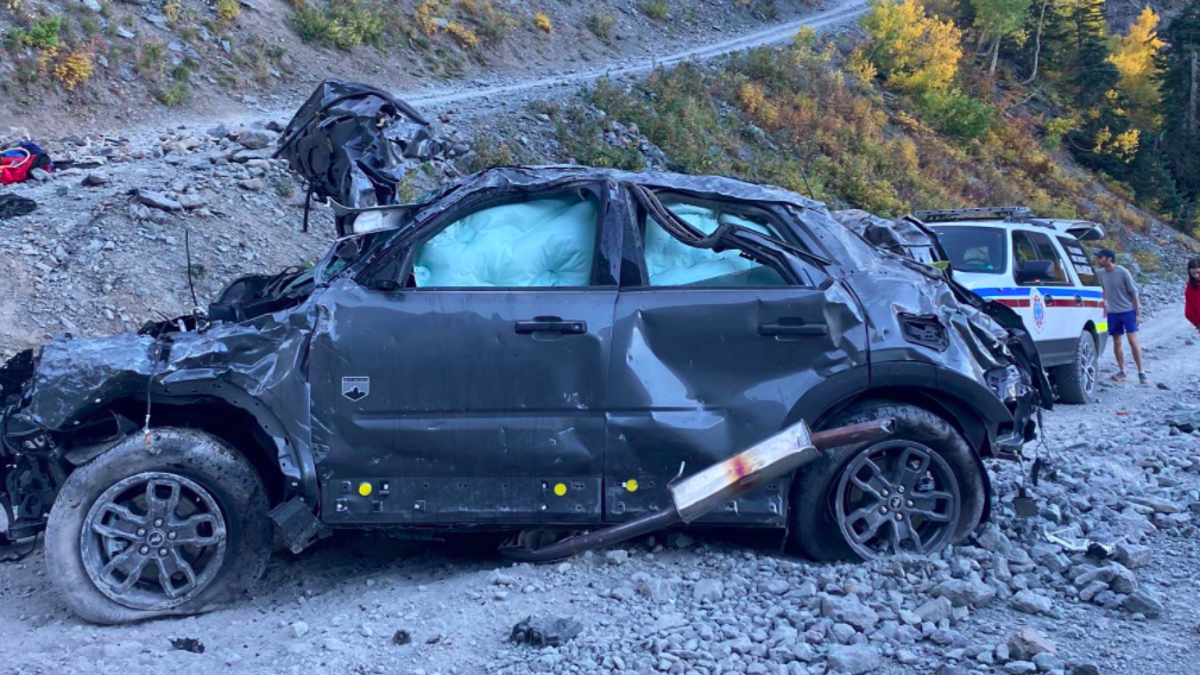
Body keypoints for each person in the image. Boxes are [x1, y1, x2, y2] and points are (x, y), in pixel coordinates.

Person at [1094, 248, 1147, 384]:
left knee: (1132, 340)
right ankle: (1122, 371)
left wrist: (1138, 314)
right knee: (1116, 341)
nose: (1098, 259)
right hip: (1112, 313)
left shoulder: (1122, 272)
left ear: (1109, 259)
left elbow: (1134, 293)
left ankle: (1141, 372)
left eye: (1100, 257)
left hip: (1127, 311)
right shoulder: (1100, 273)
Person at [1186, 258, 1200, 335]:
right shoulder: (1191, 287)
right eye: (1193, 273)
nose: (1196, 276)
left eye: (1198, 272)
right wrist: (1197, 323)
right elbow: (1189, 310)